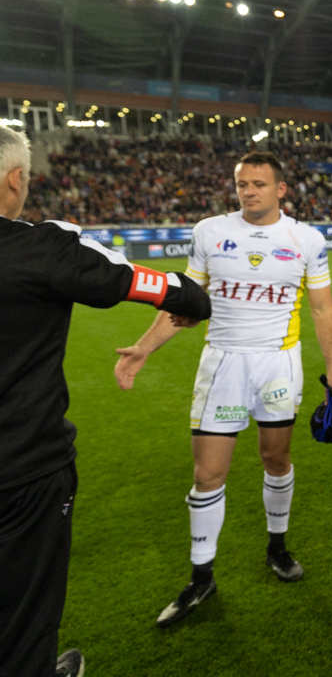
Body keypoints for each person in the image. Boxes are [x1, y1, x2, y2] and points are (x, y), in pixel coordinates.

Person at [0, 126, 210, 677]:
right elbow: (147, 283)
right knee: (24, 616)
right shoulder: (42, 246)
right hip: (22, 470)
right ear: (16, 179)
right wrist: (192, 299)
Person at [114, 151, 332, 627]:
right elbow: (184, 299)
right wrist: (142, 348)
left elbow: (323, 308)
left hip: (279, 367)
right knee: (208, 476)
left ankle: (277, 548)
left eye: (259, 184)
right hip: (222, 365)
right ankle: (201, 578)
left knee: (275, 459)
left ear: (280, 189)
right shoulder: (210, 232)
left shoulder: (305, 239)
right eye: (243, 184)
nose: (249, 191)